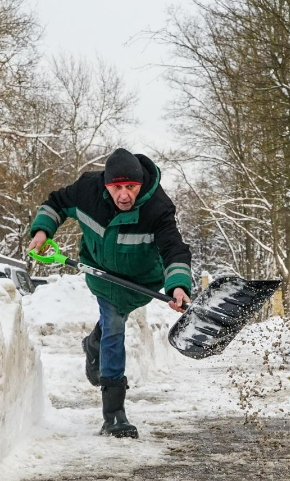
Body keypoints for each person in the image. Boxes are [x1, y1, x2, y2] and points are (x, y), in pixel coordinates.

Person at [27, 148, 192, 439]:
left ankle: (93, 344)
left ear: (141, 185)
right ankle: (114, 415)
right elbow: (56, 203)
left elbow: (173, 247)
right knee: (114, 325)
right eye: (117, 187)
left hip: (140, 281)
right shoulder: (87, 190)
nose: (124, 195)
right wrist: (42, 232)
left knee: (113, 322)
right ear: (106, 184)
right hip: (101, 272)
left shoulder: (157, 207)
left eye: (131, 187)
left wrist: (177, 284)